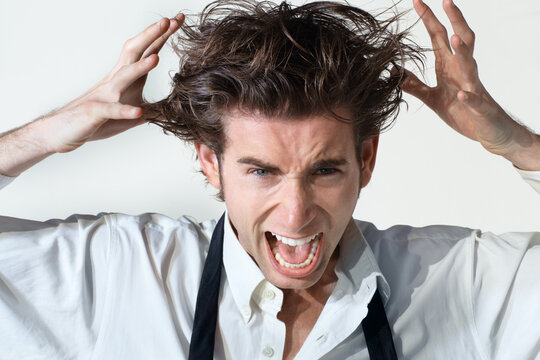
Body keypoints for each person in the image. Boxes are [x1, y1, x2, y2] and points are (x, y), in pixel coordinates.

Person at [0, 0, 539, 359]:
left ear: (366, 160)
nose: (296, 213)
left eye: (324, 170)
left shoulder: (455, 283)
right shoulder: (126, 274)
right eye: (262, 171)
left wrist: (516, 143)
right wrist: (46, 133)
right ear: (210, 162)